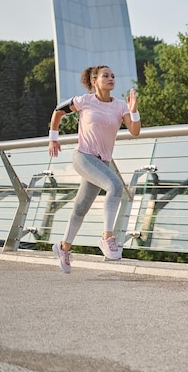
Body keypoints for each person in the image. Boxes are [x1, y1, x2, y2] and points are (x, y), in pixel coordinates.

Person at [48, 65, 141, 273]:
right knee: (115, 185)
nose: (111, 79)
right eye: (106, 76)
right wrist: (53, 138)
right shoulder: (84, 101)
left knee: (81, 207)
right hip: (83, 156)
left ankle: (63, 248)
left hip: (102, 162)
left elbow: (135, 131)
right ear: (94, 81)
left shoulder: (120, 106)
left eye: (113, 76)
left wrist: (133, 112)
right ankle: (107, 237)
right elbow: (58, 111)